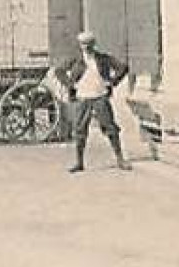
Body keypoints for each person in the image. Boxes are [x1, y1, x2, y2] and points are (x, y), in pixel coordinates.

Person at [53, 31, 132, 173]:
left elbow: (123, 67)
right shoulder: (75, 60)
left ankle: (120, 159)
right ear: (80, 45)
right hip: (82, 98)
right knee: (80, 130)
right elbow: (58, 71)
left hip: (100, 96)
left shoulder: (103, 58)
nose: (86, 47)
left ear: (94, 44)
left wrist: (112, 82)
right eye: (83, 44)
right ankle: (79, 162)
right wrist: (70, 85)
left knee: (110, 127)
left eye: (89, 44)